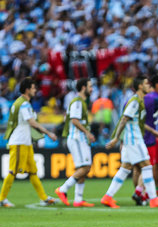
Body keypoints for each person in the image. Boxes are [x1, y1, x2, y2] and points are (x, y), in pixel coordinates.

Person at [101, 75, 158, 209]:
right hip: (133, 139)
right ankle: (154, 199)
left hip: (132, 139)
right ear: (140, 86)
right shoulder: (134, 101)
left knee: (125, 168)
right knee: (147, 166)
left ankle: (107, 197)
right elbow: (124, 119)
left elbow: (137, 121)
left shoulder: (140, 101)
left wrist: (153, 131)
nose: (148, 85)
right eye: (145, 83)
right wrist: (116, 137)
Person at [0, 77, 57, 207]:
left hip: (25, 142)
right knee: (13, 171)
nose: (35, 90)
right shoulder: (24, 104)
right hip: (19, 142)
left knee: (32, 171)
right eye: (33, 88)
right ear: (27, 90)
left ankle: (44, 198)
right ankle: (2, 199)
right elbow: (31, 122)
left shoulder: (19, 102)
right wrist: (48, 133)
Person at [55, 78, 96, 207]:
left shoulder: (81, 102)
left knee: (82, 168)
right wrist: (88, 133)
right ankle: (63, 189)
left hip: (79, 138)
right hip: (77, 138)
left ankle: (78, 199)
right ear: (83, 87)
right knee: (86, 167)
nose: (92, 89)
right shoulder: (77, 102)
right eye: (90, 86)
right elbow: (74, 120)